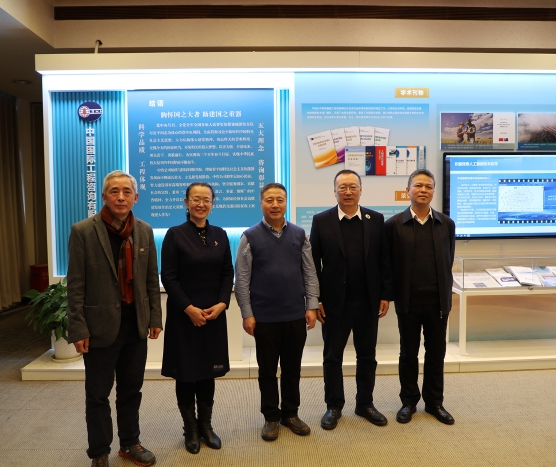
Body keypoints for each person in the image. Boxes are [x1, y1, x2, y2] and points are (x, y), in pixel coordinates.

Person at [67, 170, 163, 467]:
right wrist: (78, 328)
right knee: (98, 394)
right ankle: (99, 452)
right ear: (104, 196)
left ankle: (130, 443)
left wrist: (155, 317)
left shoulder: (144, 230)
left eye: (126, 192)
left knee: (131, 390)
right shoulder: (83, 231)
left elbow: (151, 279)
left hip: (135, 324)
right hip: (99, 327)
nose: (121, 197)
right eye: (114, 191)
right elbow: (76, 284)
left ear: (136, 197)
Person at [234, 182, 319, 441]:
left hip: (295, 315)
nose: (275, 205)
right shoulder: (250, 237)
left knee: (292, 369)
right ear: (261, 203)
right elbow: (242, 280)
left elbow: (309, 272)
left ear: (285, 202)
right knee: (267, 370)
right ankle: (271, 416)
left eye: (280, 200)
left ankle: (290, 414)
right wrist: (247, 313)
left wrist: (312, 305)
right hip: (265, 317)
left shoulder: (299, 234)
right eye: (269, 200)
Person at [310, 169, 393, 430]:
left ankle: (365, 403)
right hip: (334, 303)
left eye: (352, 187)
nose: (348, 192)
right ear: (334, 191)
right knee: (332, 357)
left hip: (368, 301)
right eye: (342, 187)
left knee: (367, 356)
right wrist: (316, 299)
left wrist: (385, 294)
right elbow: (313, 264)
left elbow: (384, 260)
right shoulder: (321, 221)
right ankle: (334, 406)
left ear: (360, 190)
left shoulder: (375, 219)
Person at [160, 182, 234, 454]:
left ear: (213, 203)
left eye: (206, 199)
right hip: (184, 317)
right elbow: (169, 277)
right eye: (195, 199)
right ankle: (190, 428)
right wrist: (189, 308)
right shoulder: (174, 234)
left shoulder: (220, 234)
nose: (201, 204)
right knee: (185, 373)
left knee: (207, 372)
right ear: (186, 202)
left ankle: (206, 426)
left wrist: (222, 303)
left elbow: (227, 272)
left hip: (213, 315)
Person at [385, 168, 456, 426]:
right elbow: (388, 265)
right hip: (408, 302)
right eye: (418, 186)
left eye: (428, 186)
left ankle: (434, 402)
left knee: (436, 353)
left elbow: (448, 259)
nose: (423, 190)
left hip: (438, 303)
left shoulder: (446, 224)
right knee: (408, 353)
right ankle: (408, 401)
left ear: (433, 191)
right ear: (408, 190)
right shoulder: (394, 225)